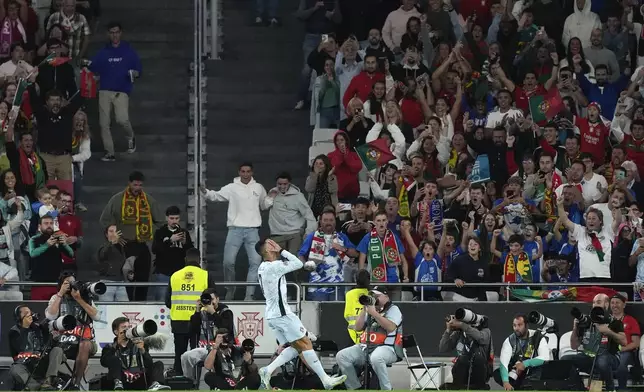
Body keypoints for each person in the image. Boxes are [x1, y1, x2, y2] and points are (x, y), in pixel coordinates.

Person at [255, 238, 346, 389]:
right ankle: (325, 380)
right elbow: (298, 263)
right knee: (306, 343)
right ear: (267, 250)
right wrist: (282, 250)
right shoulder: (273, 266)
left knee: (296, 347)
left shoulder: (263, 267)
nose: (274, 244)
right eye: (270, 244)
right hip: (282, 314)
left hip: (272, 315)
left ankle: (267, 370)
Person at [200, 162, 274, 301]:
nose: (245, 174)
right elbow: (216, 196)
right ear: (239, 172)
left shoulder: (258, 187)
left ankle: (249, 296)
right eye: (243, 171)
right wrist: (205, 192)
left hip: (253, 230)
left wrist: (271, 197)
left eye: (248, 171)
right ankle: (230, 289)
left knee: (255, 262)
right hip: (235, 230)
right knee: (228, 262)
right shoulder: (232, 187)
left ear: (252, 173)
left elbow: (264, 205)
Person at [100, 171, 164, 301]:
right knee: (126, 279)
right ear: (129, 183)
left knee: (143, 279)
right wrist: (114, 235)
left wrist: (153, 233)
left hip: (141, 244)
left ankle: (141, 304)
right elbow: (104, 220)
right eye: (135, 185)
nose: (137, 188)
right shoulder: (117, 199)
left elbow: (161, 221)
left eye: (140, 185)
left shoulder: (148, 200)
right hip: (122, 245)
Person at [89, 21, 142, 162]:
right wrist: (93, 76)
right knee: (104, 123)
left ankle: (131, 137)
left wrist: (133, 73)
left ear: (121, 33)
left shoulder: (129, 51)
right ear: (108, 34)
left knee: (122, 119)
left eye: (117, 32)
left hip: (122, 91)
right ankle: (109, 152)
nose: (114, 35)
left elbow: (138, 70)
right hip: (104, 90)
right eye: (112, 32)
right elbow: (93, 69)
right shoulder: (102, 52)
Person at [336, 287, 401, 390]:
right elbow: (357, 328)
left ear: (386, 296)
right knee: (342, 356)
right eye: (372, 296)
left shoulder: (393, 309)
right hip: (366, 347)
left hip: (388, 347)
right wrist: (364, 309)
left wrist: (374, 314)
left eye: (377, 296)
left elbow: (391, 327)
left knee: (376, 357)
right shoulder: (369, 309)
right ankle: (355, 388)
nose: (374, 299)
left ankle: (387, 389)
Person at [165, 248, 216, 377]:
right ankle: (195, 378)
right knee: (196, 352)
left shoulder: (175, 276)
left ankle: (178, 377)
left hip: (178, 320)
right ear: (199, 259)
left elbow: (167, 301)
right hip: (198, 321)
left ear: (185, 259)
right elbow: (213, 300)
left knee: (179, 352)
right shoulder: (205, 275)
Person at [45, 271, 100, 388]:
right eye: (67, 283)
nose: (70, 285)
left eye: (72, 282)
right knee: (54, 349)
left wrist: (79, 299)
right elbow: (50, 316)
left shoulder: (84, 297)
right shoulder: (56, 298)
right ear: (60, 284)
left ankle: (75, 384)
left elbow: (97, 316)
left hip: (85, 342)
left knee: (84, 344)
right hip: (63, 342)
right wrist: (60, 293)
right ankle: (52, 381)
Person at [561, 293, 627, 391]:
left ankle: (610, 388)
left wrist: (608, 331)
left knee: (602, 361)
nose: (595, 304)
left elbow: (624, 342)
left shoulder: (614, 322)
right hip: (588, 356)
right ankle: (579, 387)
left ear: (606, 304)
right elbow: (574, 346)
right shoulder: (586, 321)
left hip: (610, 357)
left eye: (599, 302)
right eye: (594, 302)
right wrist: (575, 328)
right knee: (565, 359)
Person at [100, 317, 170, 391]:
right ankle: (118, 383)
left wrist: (142, 350)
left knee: (158, 364)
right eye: (124, 327)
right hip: (121, 378)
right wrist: (116, 346)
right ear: (116, 332)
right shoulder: (110, 347)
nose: (127, 330)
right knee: (114, 359)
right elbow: (104, 362)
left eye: (129, 327)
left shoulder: (138, 343)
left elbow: (149, 364)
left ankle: (156, 384)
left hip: (139, 378)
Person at [180, 288, 234, 383]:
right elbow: (192, 329)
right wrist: (197, 311)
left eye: (212, 299)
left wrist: (213, 313)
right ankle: (190, 384)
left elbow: (226, 329)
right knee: (185, 356)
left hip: (223, 348)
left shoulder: (226, 312)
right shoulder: (202, 313)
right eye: (208, 300)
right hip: (205, 348)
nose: (210, 302)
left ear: (217, 299)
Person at [9, 305, 65, 390]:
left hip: (41, 362)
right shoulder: (14, 332)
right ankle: (38, 388)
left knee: (57, 350)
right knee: (15, 369)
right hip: (25, 365)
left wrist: (53, 337)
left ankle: (48, 381)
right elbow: (21, 348)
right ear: (19, 318)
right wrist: (27, 327)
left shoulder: (39, 328)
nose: (30, 315)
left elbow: (49, 345)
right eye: (26, 313)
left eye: (30, 312)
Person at [439, 309, 493, 390]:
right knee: (462, 359)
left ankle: (476, 387)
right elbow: (443, 348)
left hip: (480, 371)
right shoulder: (459, 333)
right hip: (462, 372)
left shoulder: (485, 331)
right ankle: (460, 386)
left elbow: (481, 339)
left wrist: (463, 326)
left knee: (477, 358)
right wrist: (448, 330)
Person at [494, 314, 550, 390]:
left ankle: (527, 386)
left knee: (540, 368)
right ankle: (516, 387)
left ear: (527, 326)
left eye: (519, 325)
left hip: (533, 369)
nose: (516, 328)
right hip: (516, 369)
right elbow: (504, 363)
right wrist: (506, 382)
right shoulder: (510, 340)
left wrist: (525, 364)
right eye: (514, 325)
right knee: (497, 373)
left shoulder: (538, 337)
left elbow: (545, 357)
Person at [151, 206, 193, 301]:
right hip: (163, 272)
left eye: (176, 218)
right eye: (172, 218)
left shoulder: (184, 232)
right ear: (166, 218)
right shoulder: (160, 232)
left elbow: (191, 253)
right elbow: (155, 249)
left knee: (180, 300)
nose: (174, 221)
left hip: (180, 273)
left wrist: (185, 244)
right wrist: (170, 240)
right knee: (162, 300)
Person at [28, 214, 74, 300]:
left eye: (51, 223)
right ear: (39, 226)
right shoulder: (34, 239)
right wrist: (46, 245)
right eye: (46, 223)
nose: (49, 226)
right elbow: (32, 253)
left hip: (56, 282)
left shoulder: (58, 238)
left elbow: (71, 254)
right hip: (39, 282)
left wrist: (64, 244)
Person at [609, 294, 641, 390]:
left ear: (624, 305)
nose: (614, 305)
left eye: (617, 303)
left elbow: (636, 343)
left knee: (621, 366)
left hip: (625, 351)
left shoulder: (631, 320)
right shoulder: (605, 320)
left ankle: (622, 389)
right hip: (607, 351)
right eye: (612, 303)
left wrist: (621, 349)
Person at [344, 269, 370, 343]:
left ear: (356, 279)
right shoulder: (372, 294)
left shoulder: (349, 294)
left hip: (352, 331)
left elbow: (347, 314)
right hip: (368, 331)